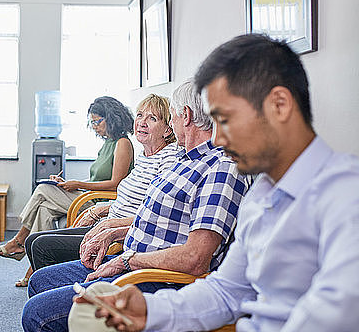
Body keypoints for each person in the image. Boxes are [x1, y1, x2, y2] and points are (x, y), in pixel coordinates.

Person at [74, 34, 359, 332]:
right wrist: (151, 309)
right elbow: (227, 291)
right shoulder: (261, 196)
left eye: (224, 120)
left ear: (279, 105)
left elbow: (333, 316)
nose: (218, 139)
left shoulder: (345, 194)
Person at [21, 80, 249, 332]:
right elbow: (160, 222)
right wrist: (115, 232)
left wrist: (127, 261)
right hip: (129, 258)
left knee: (36, 314)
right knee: (40, 280)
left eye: (170, 116)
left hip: (155, 279)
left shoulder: (221, 168)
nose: (172, 124)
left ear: (185, 116)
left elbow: (195, 258)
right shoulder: (184, 160)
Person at [24, 94, 179, 272]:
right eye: (140, 115)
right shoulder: (145, 156)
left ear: (168, 130)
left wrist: (109, 224)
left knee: (40, 245)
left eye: (152, 118)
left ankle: (60, 286)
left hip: (119, 235)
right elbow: (130, 199)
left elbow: (155, 214)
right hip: (108, 220)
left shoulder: (168, 159)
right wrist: (99, 210)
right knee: (33, 239)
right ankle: (42, 271)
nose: (142, 122)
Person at [0, 96, 135, 286]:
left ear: (111, 118)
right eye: (91, 122)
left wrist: (78, 185)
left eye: (97, 121)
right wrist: (68, 183)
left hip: (99, 202)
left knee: (43, 189)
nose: (94, 126)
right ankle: (34, 270)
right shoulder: (107, 143)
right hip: (89, 196)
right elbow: (97, 180)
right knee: (44, 209)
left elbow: (116, 184)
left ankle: (19, 242)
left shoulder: (122, 143)